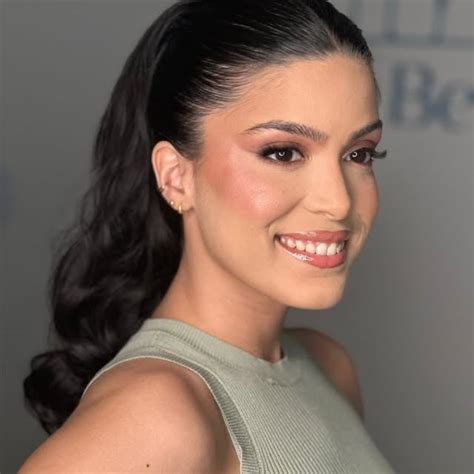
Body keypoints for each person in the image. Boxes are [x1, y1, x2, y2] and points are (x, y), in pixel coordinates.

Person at [19, 0, 394, 472]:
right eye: (282, 153)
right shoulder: (157, 413)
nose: (338, 202)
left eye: (359, 154)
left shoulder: (327, 365)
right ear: (176, 176)